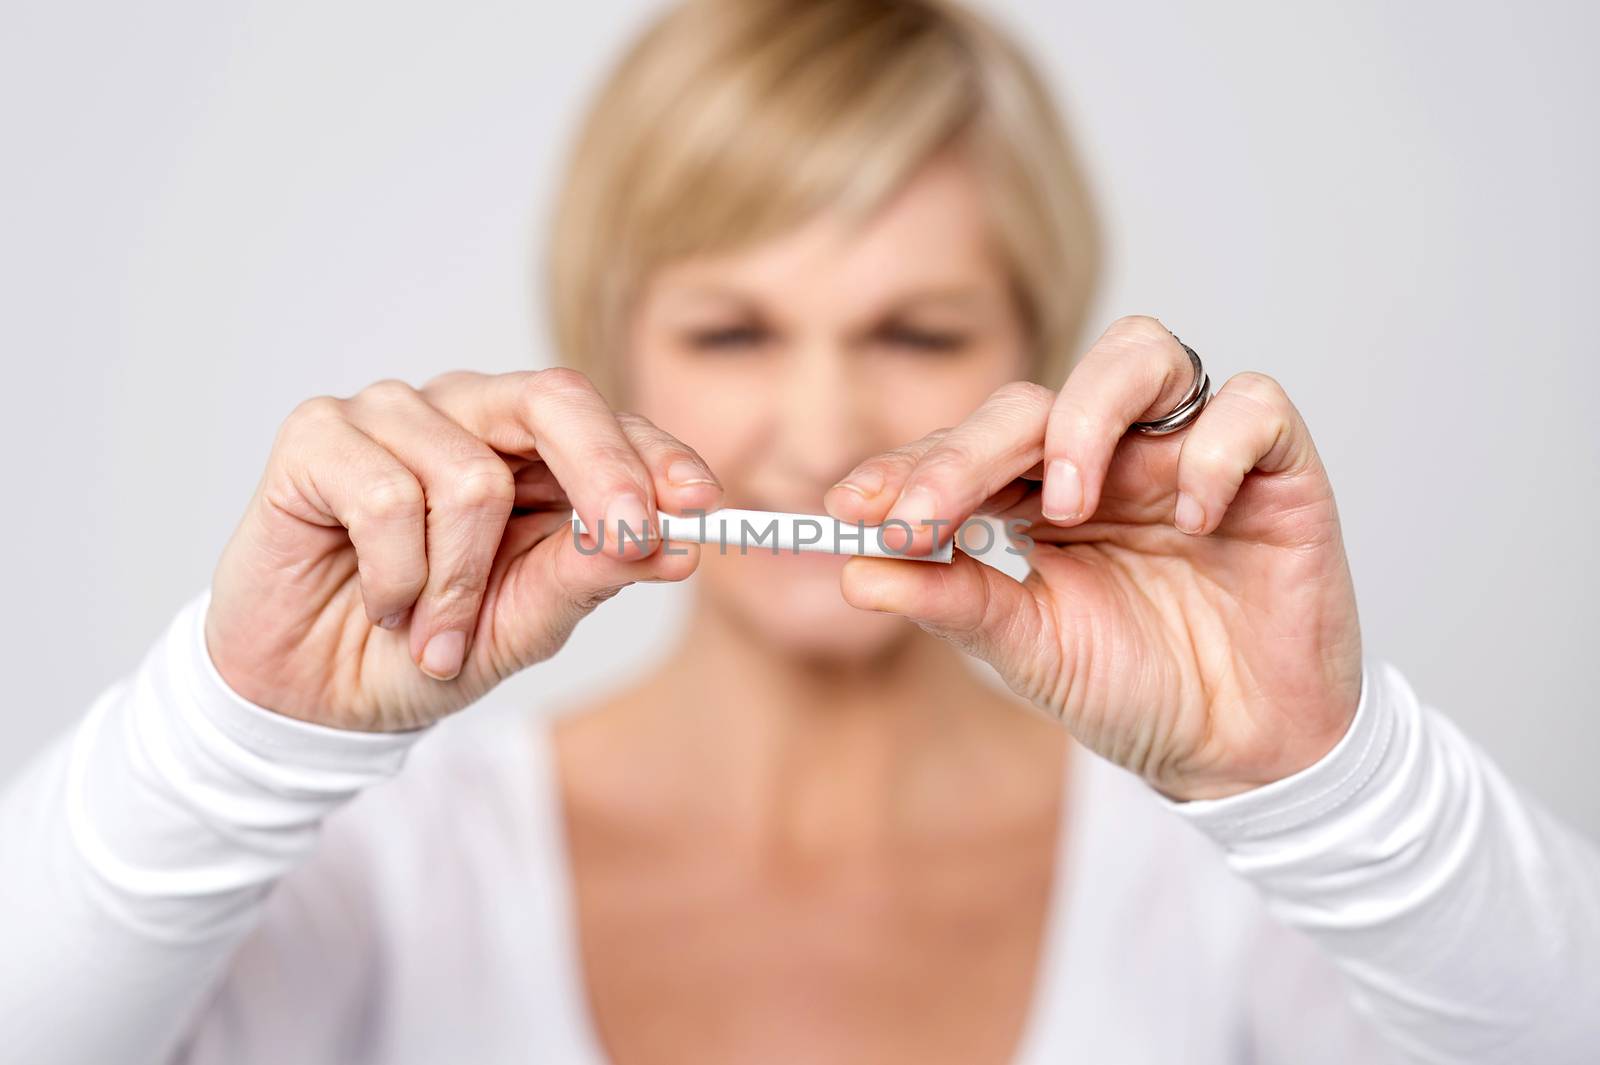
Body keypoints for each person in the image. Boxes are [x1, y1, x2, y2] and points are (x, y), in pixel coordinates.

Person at [2, 1, 1597, 1062]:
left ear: (1038, 357)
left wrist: (1330, 778)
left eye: (915, 328)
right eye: (735, 331)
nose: (826, 422)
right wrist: (231, 732)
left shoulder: (1236, 887)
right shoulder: (393, 872)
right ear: (607, 351)